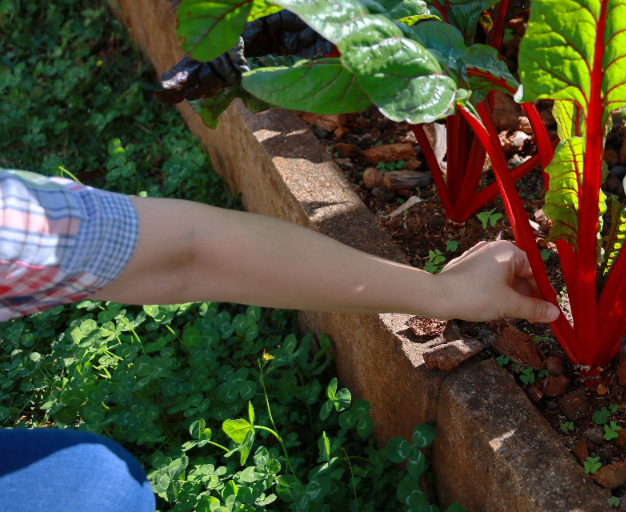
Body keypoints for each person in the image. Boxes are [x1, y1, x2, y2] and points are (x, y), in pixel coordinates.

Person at [0, 168, 560, 512]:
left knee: (93, 483)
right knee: (93, 492)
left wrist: (444, 295)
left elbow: (191, 249)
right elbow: (191, 250)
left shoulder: (13, 224)